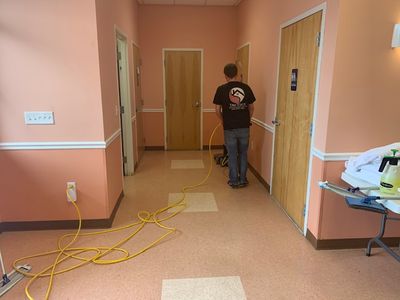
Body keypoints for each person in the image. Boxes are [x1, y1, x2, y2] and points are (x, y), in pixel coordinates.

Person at [213, 63, 255, 188]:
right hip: (244, 127)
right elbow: (251, 108)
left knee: (232, 154)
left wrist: (223, 120)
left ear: (225, 76)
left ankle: (234, 181)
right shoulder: (246, 88)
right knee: (243, 153)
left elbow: (217, 110)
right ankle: (243, 180)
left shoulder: (221, 89)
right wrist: (247, 119)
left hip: (229, 128)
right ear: (237, 74)